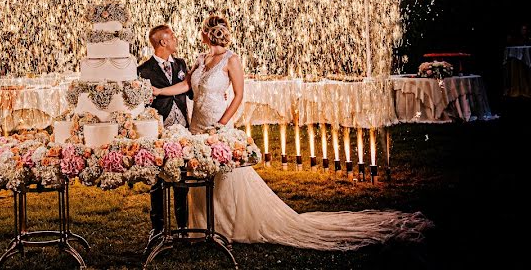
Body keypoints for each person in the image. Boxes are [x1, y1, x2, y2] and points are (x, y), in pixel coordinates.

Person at [152, 14, 432, 251]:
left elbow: (238, 96)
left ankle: (229, 226)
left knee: (225, 175)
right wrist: (160, 90)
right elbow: (187, 87)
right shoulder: (200, 61)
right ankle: (202, 226)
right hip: (198, 124)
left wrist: (223, 123)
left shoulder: (231, 60)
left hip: (219, 123)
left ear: (206, 34)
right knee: (203, 172)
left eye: (205, 32)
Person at [137, 24, 192, 241]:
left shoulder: (180, 64)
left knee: (181, 176)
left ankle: (182, 226)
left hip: (182, 129)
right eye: (173, 37)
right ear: (163, 42)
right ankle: (158, 228)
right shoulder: (143, 70)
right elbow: (142, 102)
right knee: (157, 178)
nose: (176, 40)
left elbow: (190, 91)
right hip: (159, 129)